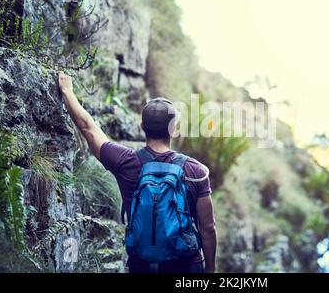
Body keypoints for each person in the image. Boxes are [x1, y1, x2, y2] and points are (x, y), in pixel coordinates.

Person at [58, 71, 217, 273]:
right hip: (186, 267)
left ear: (142, 126)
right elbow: (207, 228)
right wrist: (210, 269)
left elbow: (88, 128)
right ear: (173, 128)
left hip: (141, 266)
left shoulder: (126, 161)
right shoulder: (195, 170)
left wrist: (67, 91)